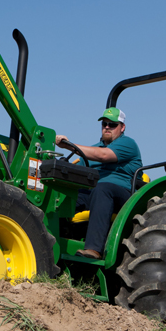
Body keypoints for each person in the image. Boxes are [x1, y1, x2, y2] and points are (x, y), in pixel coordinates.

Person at [55, 107, 142, 259]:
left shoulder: (128, 144)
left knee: (102, 189)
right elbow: (77, 168)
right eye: (104, 124)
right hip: (94, 194)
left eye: (112, 124)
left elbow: (102, 155)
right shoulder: (94, 148)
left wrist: (68, 145)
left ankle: (94, 249)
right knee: (64, 196)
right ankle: (52, 240)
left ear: (122, 127)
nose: (107, 127)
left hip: (122, 195)